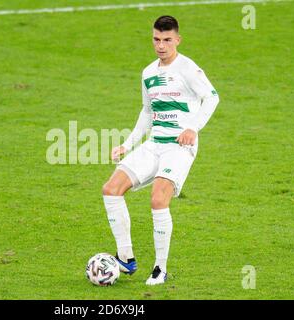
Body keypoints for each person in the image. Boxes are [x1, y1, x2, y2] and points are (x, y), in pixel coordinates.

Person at [102, 15, 220, 285]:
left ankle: (160, 268)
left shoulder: (188, 68)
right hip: (154, 144)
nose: (161, 45)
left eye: (167, 40)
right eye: (156, 39)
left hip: (179, 148)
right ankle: (125, 259)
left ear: (177, 39)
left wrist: (193, 128)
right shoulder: (148, 73)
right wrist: (127, 144)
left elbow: (212, 97)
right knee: (111, 189)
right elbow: (147, 111)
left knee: (158, 199)